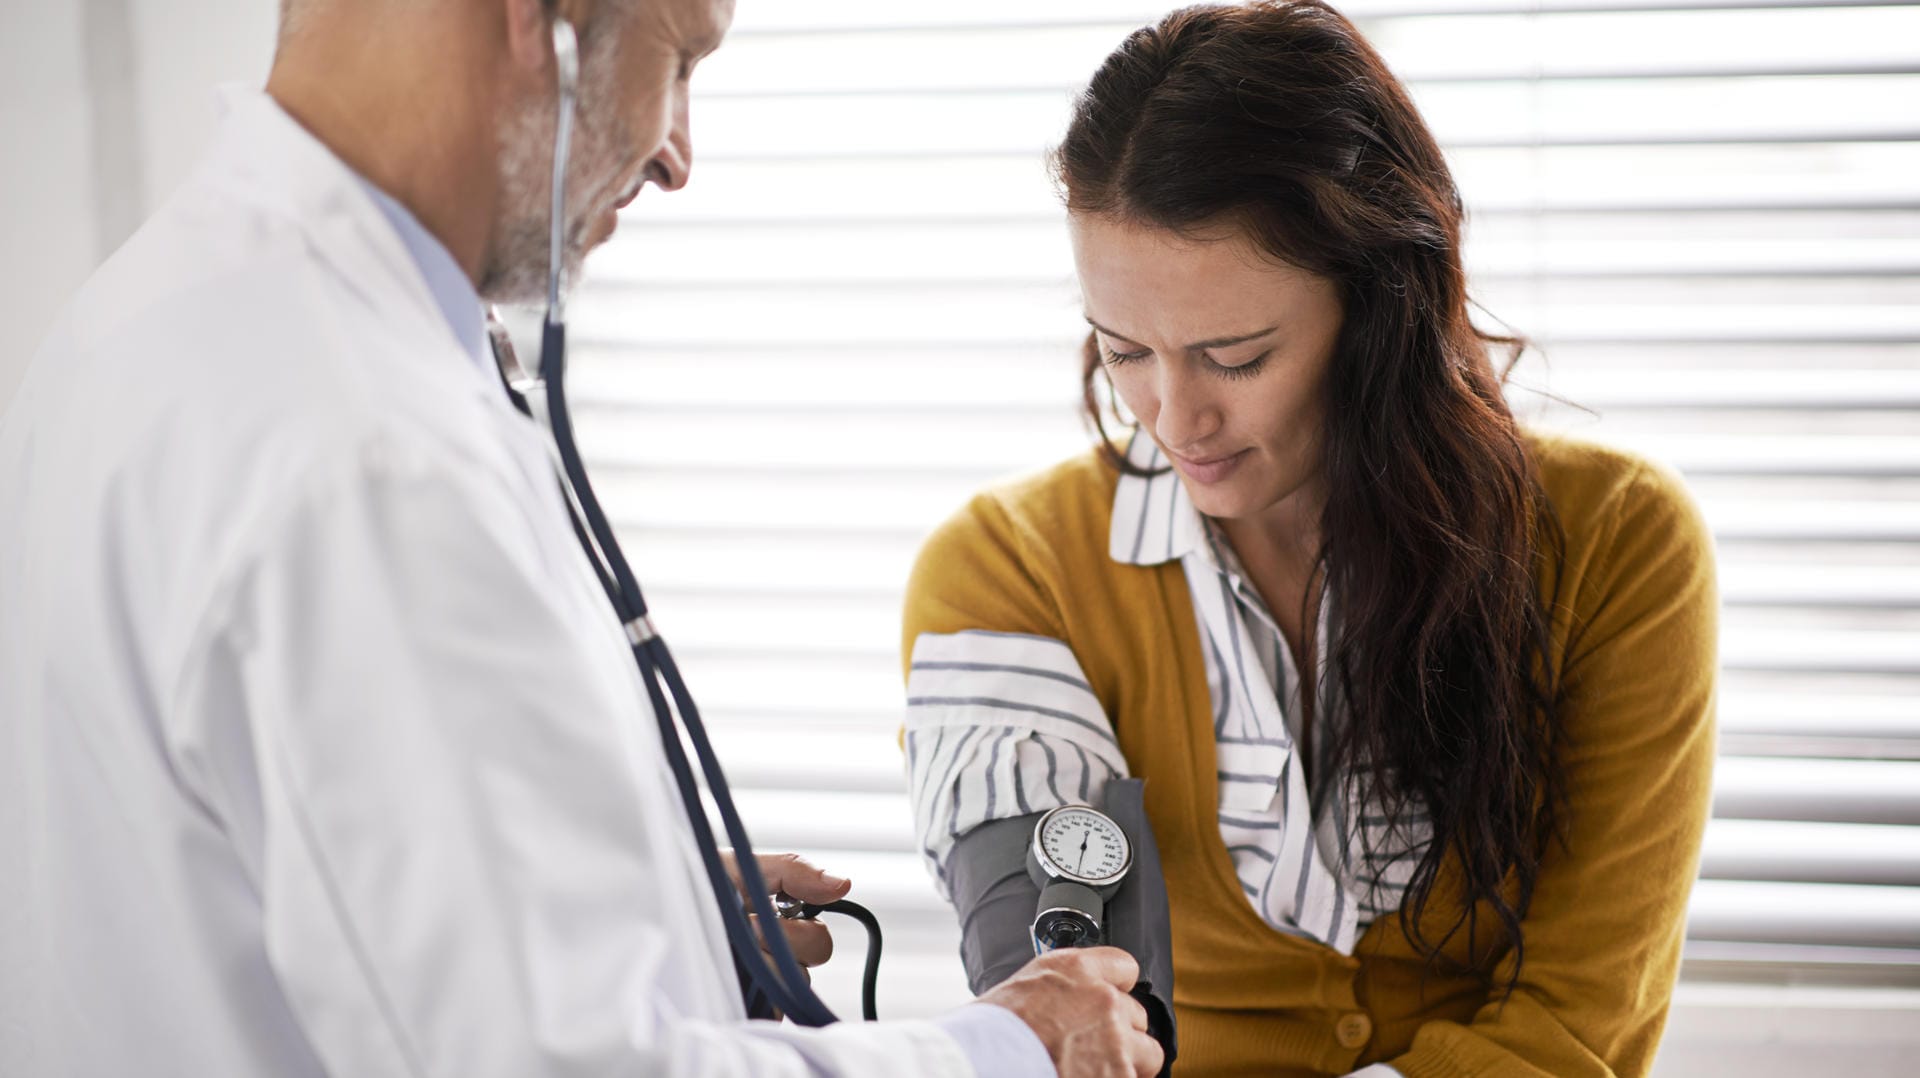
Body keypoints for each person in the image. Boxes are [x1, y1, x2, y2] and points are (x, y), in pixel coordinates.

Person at [0, 1, 1165, 1076]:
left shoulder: (141, 319)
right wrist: (1008, 1049)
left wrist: (645, 905)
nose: (677, 154)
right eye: (680, 58)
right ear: (538, 22)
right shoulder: (370, 456)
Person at [900, 2, 1717, 1075]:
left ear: (1381, 308)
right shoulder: (1009, 569)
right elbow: (1067, 996)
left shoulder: (1614, 543)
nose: (1173, 417)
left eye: (1234, 356)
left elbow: (1576, 1023)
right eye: (1124, 349)